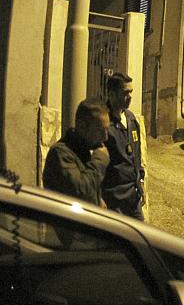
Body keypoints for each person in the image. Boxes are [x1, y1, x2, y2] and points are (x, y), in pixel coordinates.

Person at [43, 99, 111, 207]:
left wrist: (97, 200)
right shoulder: (61, 154)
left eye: (107, 130)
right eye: (101, 131)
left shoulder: (83, 151)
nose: (105, 137)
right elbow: (81, 192)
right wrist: (99, 160)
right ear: (82, 126)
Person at [101, 72, 145, 220]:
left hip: (133, 198)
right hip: (113, 200)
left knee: (140, 233)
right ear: (112, 94)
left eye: (131, 92)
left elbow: (137, 155)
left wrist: (140, 181)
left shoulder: (131, 119)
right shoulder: (103, 122)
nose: (130, 96)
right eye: (125, 93)